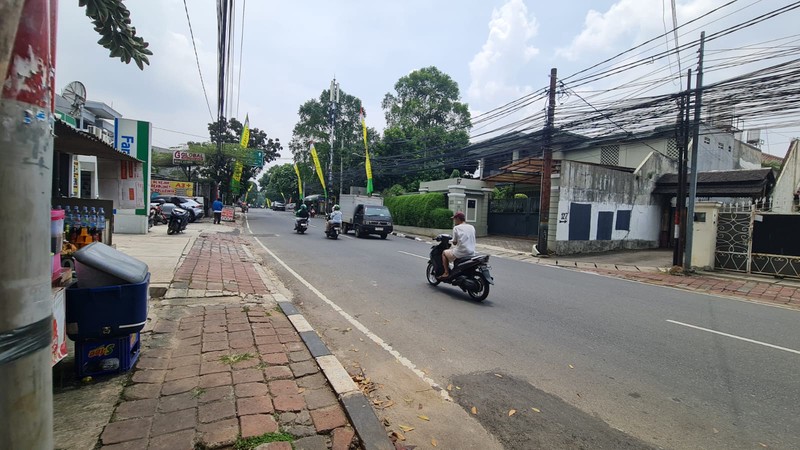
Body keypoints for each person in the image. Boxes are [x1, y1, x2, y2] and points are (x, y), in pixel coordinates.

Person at [439, 211, 476, 279]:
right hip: (472, 252)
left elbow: (455, 242)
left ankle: (446, 272)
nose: (454, 220)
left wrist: (452, 241)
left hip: (461, 252)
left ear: (458, 219)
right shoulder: (472, 227)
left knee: (444, 253)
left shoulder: (456, 228)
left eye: (454, 219)